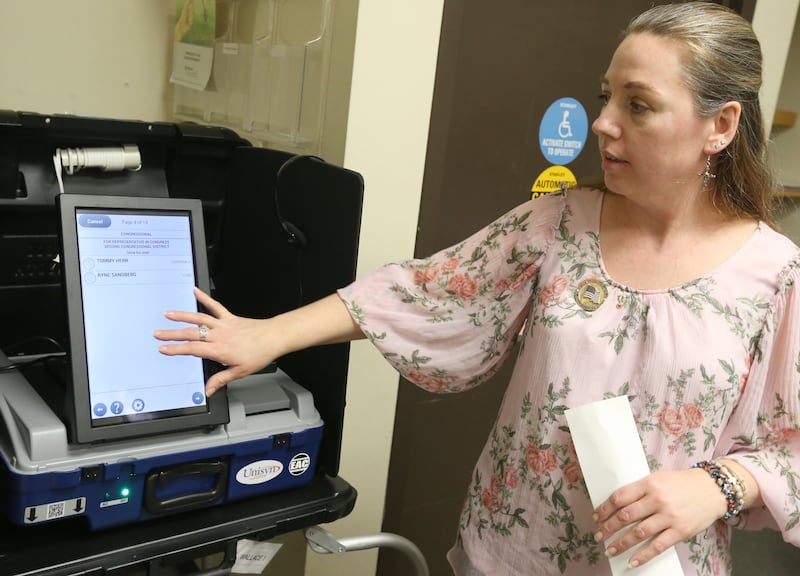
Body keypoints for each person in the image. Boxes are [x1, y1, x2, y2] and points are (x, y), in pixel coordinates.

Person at [154, 2, 800, 574]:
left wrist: (722, 483)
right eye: (605, 96)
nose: (603, 123)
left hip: (654, 565)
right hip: (508, 551)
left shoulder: (774, 276)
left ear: (720, 126)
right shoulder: (558, 223)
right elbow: (424, 290)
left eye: (637, 104)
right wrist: (268, 333)